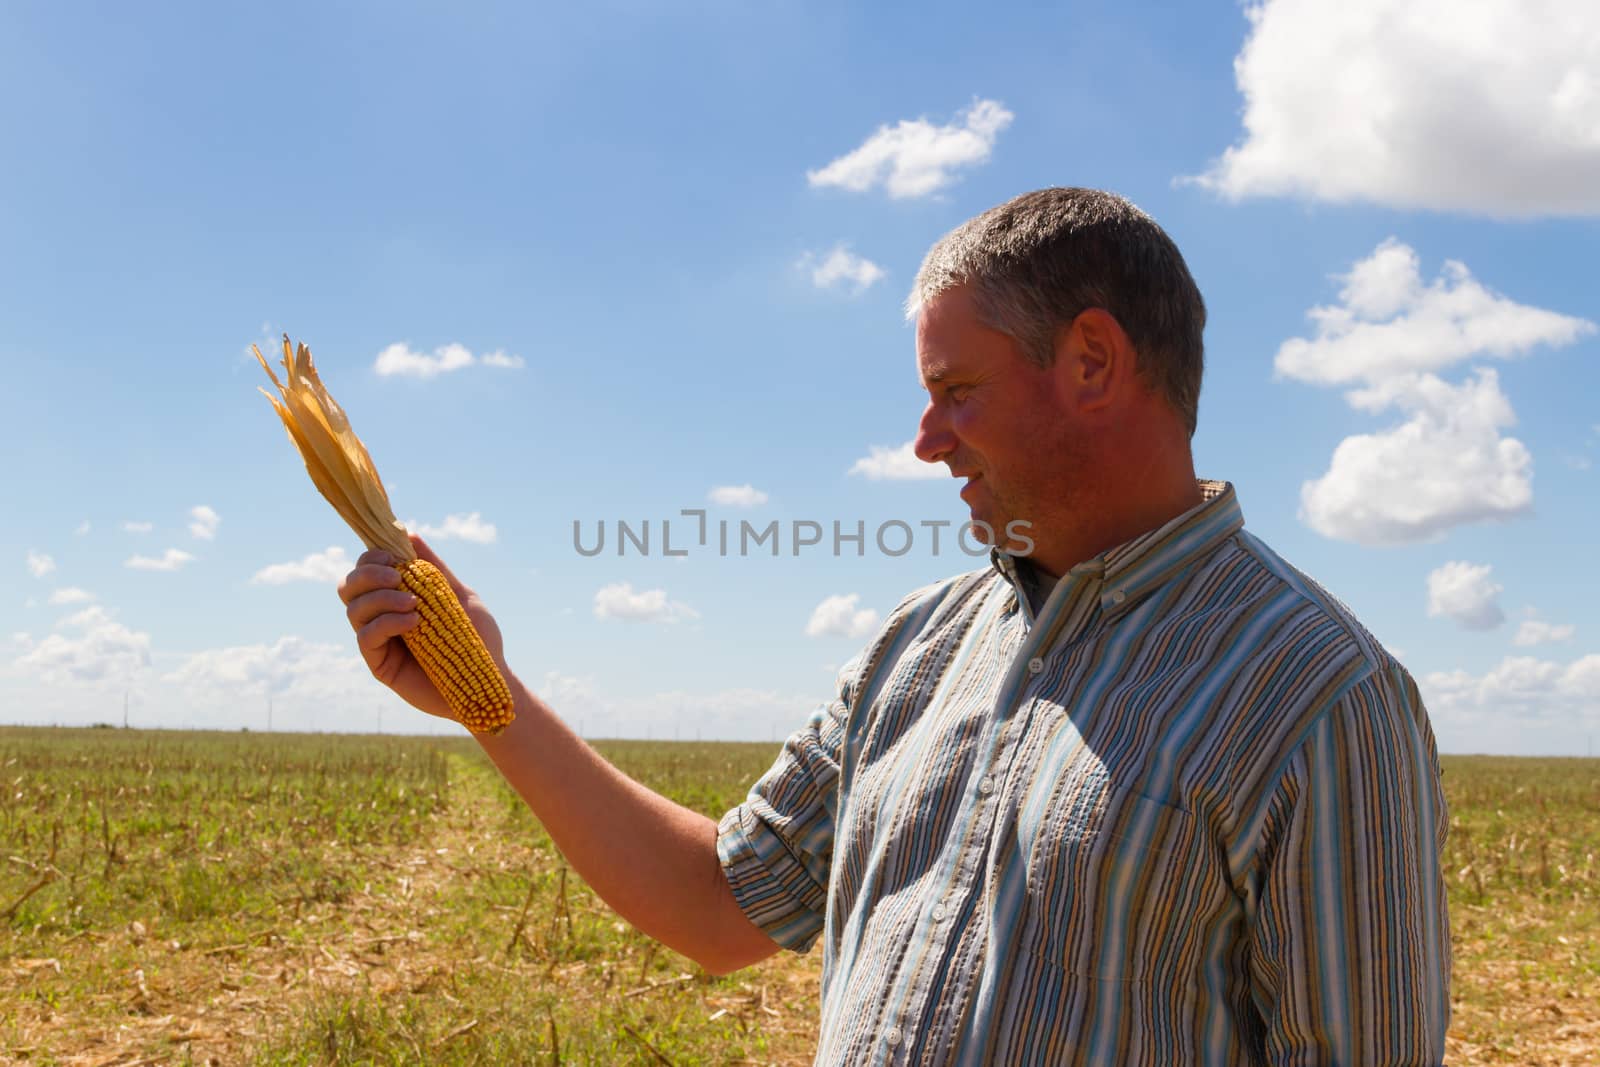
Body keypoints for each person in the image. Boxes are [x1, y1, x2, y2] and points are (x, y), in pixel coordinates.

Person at [338, 188, 1450, 1065]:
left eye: (956, 390)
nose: (926, 439)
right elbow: (720, 902)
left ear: (1094, 363)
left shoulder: (1319, 694)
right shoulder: (919, 642)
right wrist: (489, 695)